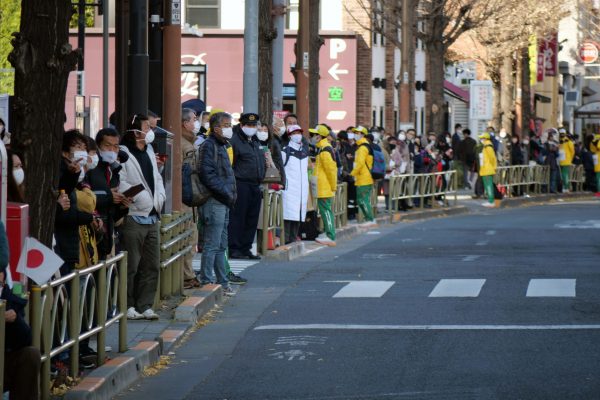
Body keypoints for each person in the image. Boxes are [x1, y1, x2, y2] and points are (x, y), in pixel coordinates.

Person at [119, 114, 166, 320]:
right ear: (136, 131)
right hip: (134, 215)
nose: (151, 131)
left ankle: (145, 305)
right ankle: (128, 305)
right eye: (147, 127)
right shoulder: (123, 153)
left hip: (152, 215)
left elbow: (156, 177)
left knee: (151, 265)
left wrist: (160, 197)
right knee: (132, 265)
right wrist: (138, 198)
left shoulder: (148, 150)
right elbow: (119, 181)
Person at [196, 112, 237, 296]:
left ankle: (223, 281)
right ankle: (207, 280)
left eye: (230, 124)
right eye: (226, 125)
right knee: (212, 244)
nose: (229, 128)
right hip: (215, 200)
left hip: (223, 200)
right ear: (216, 127)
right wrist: (225, 191)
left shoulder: (221, 145)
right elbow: (207, 174)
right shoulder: (209, 145)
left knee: (221, 244)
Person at [1, 221, 41, 400]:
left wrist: (13, 318)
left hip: (5, 360)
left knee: (30, 355)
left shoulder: (8, 295)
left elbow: (26, 338)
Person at [87, 128, 131, 260]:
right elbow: (85, 199)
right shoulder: (91, 168)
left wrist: (123, 206)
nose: (112, 150)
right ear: (98, 146)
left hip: (107, 233)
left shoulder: (114, 171)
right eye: (107, 146)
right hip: (91, 232)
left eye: (115, 146)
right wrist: (109, 197)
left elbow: (112, 212)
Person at [55, 130, 95, 275]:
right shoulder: (59, 171)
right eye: (78, 148)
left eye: (85, 149)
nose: (83, 152)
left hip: (69, 245)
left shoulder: (74, 172)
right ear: (65, 153)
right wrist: (87, 218)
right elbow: (64, 212)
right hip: (61, 245)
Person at [228, 112, 266, 259]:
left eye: (254, 125)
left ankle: (246, 248)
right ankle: (235, 248)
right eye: (248, 125)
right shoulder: (235, 141)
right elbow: (231, 164)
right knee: (238, 217)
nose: (251, 128)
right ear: (242, 125)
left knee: (252, 218)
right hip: (240, 183)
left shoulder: (255, 141)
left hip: (255, 184)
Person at [180, 108, 203, 289]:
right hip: (185, 198)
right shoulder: (182, 143)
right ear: (185, 123)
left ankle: (188, 274)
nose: (197, 122)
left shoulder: (191, 142)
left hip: (191, 197)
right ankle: (186, 276)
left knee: (191, 238)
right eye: (194, 119)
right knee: (187, 238)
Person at [281, 125, 309, 244]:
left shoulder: (304, 152)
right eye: (294, 133)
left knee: (298, 213)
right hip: (290, 188)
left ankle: (293, 237)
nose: (297, 135)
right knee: (288, 214)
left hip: (302, 189)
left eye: (299, 132)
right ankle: (286, 238)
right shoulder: (285, 151)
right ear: (289, 136)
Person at [310, 124, 338, 246]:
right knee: (325, 211)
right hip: (323, 186)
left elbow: (331, 170)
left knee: (326, 212)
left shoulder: (325, 149)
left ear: (319, 136)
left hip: (325, 187)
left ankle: (330, 236)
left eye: (314, 135)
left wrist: (333, 187)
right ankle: (329, 234)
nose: (312, 137)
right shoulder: (323, 148)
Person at [350, 126, 376, 225]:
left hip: (363, 178)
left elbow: (360, 164)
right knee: (362, 200)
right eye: (355, 132)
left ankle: (370, 219)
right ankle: (369, 219)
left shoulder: (363, 148)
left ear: (363, 135)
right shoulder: (364, 146)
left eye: (358, 133)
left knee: (362, 200)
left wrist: (352, 173)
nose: (356, 134)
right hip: (364, 177)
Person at [478, 132, 497, 208]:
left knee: (488, 186)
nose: (480, 139)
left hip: (488, 169)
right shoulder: (485, 146)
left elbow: (492, 158)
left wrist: (493, 167)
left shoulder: (488, 146)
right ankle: (490, 200)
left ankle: (491, 201)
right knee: (487, 185)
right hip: (486, 169)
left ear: (485, 138)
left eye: (482, 138)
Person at [558, 128, 575, 193]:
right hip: (561, 160)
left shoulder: (568, 141)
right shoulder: (559, 141)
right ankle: (565, 187)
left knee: (564, 174)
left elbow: (572, 151)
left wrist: (570, 158)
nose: (561, 135)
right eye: (561, 134)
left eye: (562, 134)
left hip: (566, 160)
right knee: (563, 175)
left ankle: (566, 187)